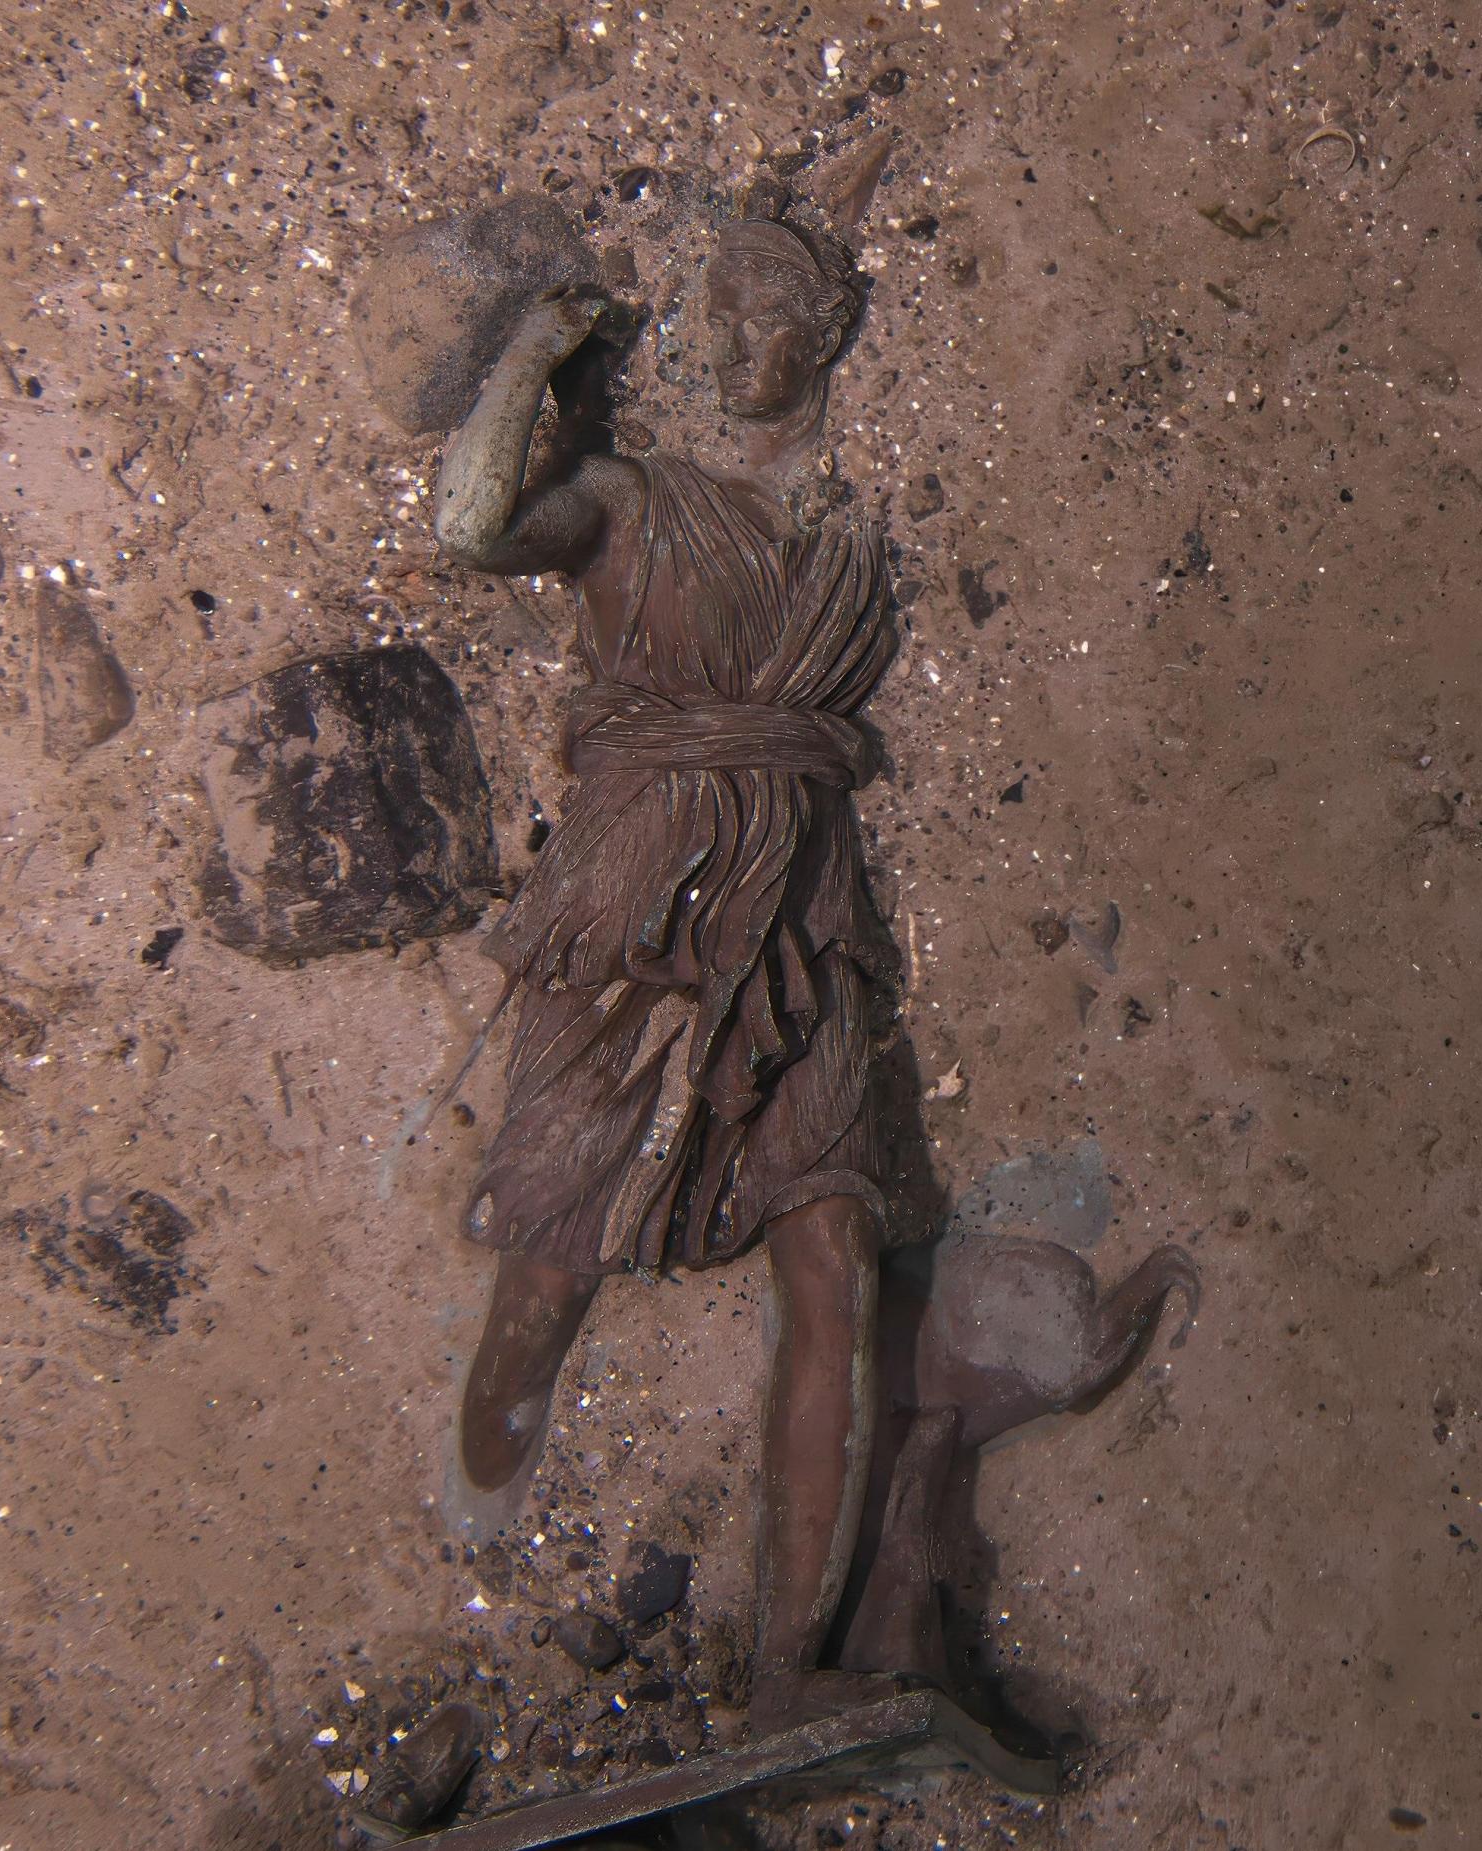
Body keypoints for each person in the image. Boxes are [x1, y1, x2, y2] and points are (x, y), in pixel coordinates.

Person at [433, 203, 902, 1732]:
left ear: (823, 327)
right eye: (713, 314)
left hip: (803, 909)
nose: (731, 339)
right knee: (548, 1260)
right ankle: (472, 1534)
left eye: (762, 308)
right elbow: (470, 525)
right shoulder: (637, 503)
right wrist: (527, 361)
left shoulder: (847, 540)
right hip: (635, 893)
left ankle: (786, 1668)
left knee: (834, 1256)